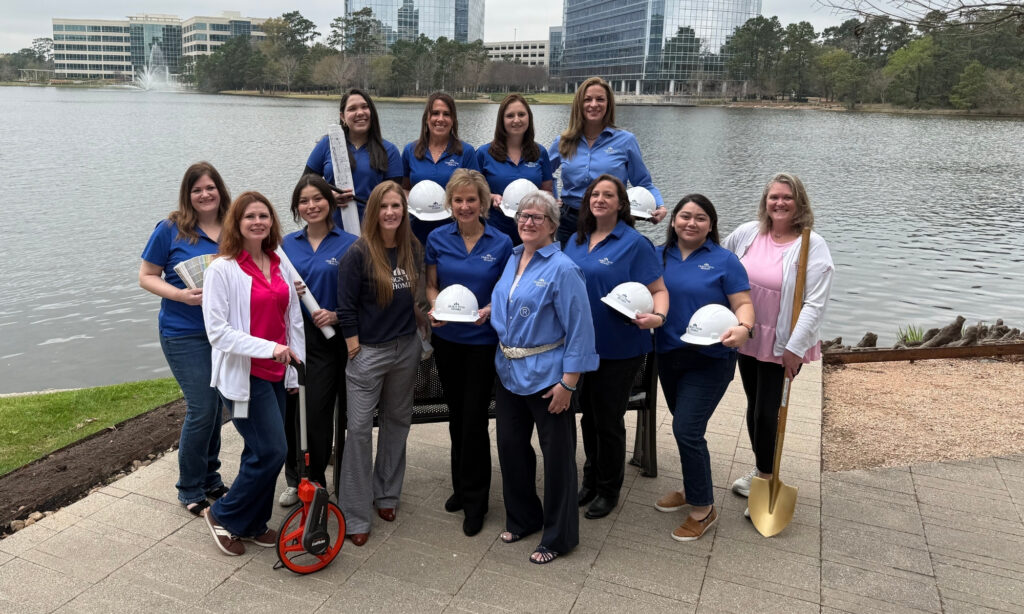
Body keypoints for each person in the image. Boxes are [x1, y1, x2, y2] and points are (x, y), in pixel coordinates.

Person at [490, 190, 599, 564]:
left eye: (538, 217)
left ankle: (559, 536)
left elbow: (581, 330)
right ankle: (523, 518)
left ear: (553, 225)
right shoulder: (514, 256)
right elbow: (512, 300)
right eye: (523, 215)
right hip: (507, 372)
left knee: (557, 458)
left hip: (548, 377)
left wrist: (568, 384)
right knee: (511, 448)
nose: (528, 222)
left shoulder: (564, 268)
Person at [722, 173, 834, 514]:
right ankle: (761, 471)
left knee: (767, 413)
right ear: (765, 202)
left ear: (799, 203)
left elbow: (814, 302)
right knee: (754, 404)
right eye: (773, 197)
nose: (779, 203)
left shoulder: (811, 245)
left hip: (782, 342)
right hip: (749, 335)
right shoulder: (747, 233)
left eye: (787, 197)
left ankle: (767, 480)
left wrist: (795, 348)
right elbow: (721, 262)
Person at [201, 191, 305, 556]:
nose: (258, 222)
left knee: (257, 450)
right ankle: (222, 513)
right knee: (273, 450)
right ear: (237, 223)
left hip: (276, 376)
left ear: (272, 222)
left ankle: (252, 523)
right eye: (249, 217)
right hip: (244, 382)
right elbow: (217, 332)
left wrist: (293, 371)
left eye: (263, 215)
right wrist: (270, 349)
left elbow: (292, 319)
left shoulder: (279, 261)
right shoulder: (222, 269)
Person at [563, 175, 668, 520]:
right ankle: (590, 480)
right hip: (581, 345)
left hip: (620, 346)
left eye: (609, 195)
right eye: (595, 194)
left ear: (621, 204)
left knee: (608, 419)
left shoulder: (635, 243)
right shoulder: (576, 241)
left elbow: (659, 290)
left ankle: (609, 490)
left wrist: (658, 317)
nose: (600, 199)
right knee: (588, 418)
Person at [653, 194, 753, 542]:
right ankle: (690, 486)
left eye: (699, 218)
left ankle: (703, 508)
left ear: (711, 225)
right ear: (673, 221)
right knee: (686, 428)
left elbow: (743, 303)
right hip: (669, 354)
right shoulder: (659, 255)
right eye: (684, 216)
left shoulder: (725, 260)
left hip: (711, 359)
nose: (690, 223)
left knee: (686, 429)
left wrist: (744, 328)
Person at [336, 181, 428, 547]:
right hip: (368, 353)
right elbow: (345, 305)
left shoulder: (411, 247)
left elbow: (417, 298)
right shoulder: (358, 253)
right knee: (358, 430)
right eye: (384, 206)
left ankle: (387, 495)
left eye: (397, 206)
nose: (391, 212)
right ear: (373, 211)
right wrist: (354, 343)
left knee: (397, 423)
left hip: (405, 349)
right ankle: (355, 512)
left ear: (404, 211)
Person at [425, 169, 513, 536]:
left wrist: (491, 308)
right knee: (456, 415)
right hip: (448, 342)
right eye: (458, 200)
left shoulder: (501, 242)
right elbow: (431, 286)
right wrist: (433, 308)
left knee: (475, 419)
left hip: (481, 343)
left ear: (483, 203)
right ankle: (461, 487)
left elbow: (508, 289)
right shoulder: (436, 238)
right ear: (450, 203)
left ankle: (477, 501)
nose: (464, 206)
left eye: (471, 200)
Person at [139, 162, 231, 516]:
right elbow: (147, 276)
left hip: (223, 333)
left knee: (217, 407)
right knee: (202, 407)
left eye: (210, 188)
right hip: (183, 331)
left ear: (220, 190)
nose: (205, 194)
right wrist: (179, 296)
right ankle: (189, 487)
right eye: (197, 190)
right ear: (187, 195)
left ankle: (210, 478)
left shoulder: (233, 225)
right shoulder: (170, 229)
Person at [278, 175, 358, 506]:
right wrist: (287, 291)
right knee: (294, 413)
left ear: (330, 201)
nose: (311, 206)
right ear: (297, 207)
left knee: (322, 414)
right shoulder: (285, 245)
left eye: (317, 199)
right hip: (295, 338)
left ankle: (320, 479)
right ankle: (297, 480)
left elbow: (362, 294)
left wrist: (337, 314)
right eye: (304, 201)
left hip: (334, 339)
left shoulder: (350, 243)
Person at [549, 76, 666, 244]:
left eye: (600, 99)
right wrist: (552, 197)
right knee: (568, 268)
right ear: (579, 105)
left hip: (613, 221)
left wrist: (659, 205)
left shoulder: (626, 141)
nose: (594, 104)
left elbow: (643, 182)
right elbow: (543, 172)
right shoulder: (563, 141)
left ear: (608, 104)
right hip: (570, 222)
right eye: (587, 99)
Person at [304, 88, 403, 224]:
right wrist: (327, 197)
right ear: (342, 117)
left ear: (372, 113)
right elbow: (304, 186)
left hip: (373, 231)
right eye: (352, 109)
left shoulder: (389, 151)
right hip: (331, 230)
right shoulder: (327, 144)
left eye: (365, 107)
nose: (360, 113)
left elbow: (396, 199)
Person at [475, 93, 554, 245]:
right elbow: (474, 192)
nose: (516, 120)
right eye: (510, 115)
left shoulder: (540, 152)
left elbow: (547, 191)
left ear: (529, 118)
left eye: (521, 114)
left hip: (532, 232)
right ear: (501, 120)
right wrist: (491, 197)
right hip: (495, 231)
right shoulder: (484, 154)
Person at [403, 92, 478, 246]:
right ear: (427, 118)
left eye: (447, 114)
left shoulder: (466, 152)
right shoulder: (410, 150)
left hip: (454, 233)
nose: (440, 119)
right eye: (435, 113)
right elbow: (404, 188)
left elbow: (475, 194)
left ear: (453, 120)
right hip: (415, 231)